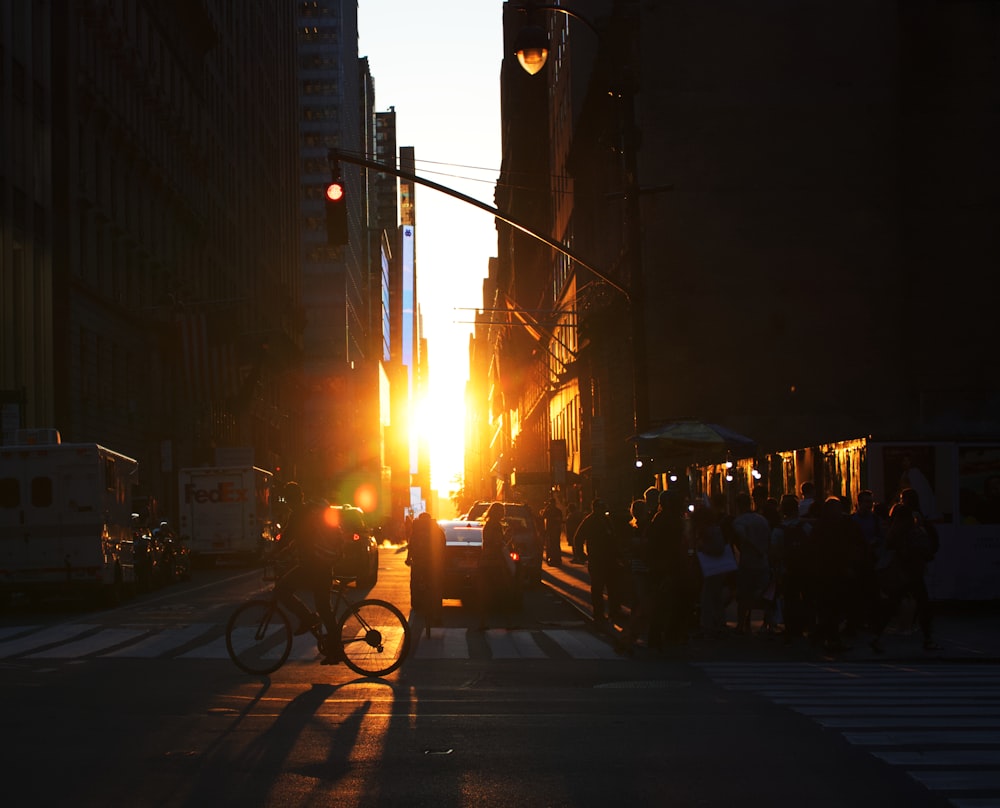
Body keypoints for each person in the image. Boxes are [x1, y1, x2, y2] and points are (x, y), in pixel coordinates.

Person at [271, 482, 344, 663]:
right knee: (324, 607)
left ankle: (309, 619)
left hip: (312, 566)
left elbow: (286, 538)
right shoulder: (309, 512)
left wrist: (270, 554)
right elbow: (296, 541)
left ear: (289, 500)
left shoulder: (298, 515)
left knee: (281, 590)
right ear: (302, 495)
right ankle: (335, 648)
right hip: (321, 564)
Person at [870, 501, 939, 652]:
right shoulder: (914, 532)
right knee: (923, 605)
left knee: (891, 605)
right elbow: (927, 552)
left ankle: (876, 636)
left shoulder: (893, 532)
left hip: (899, 575)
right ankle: (928, 638)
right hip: (914, 574)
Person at [731, 491, 773, 634]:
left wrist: (754, 549)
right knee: (766, 593)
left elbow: (743, 539)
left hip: (748, 562)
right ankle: (768, 622)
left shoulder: (739, 522)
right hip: (763, 562)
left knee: (744, 594)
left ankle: (742, 623)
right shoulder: (761, 520)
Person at [575, 498, 618, 624]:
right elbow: (579, 537)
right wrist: (581, 554)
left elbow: (613, 537)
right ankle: (599, 614)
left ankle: (613, 612)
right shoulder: (590, 521)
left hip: (608, 558)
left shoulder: (605, 520)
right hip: (597, 558)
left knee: (611, 587)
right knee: (598, 587)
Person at [406, 511, 446, 632]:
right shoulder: (437, 531)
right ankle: (437, 616)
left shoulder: (416, 531)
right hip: (433, 565)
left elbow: (410, 546)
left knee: (415, 583)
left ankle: (418, 603)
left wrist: (408, 559)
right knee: (437, 589)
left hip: (418, 564)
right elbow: (443, 546)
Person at [477, 502, 510, 630]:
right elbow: (497, 543)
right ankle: (508, 622)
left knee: (485, 593)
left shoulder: (488, 525)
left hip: (485, 562)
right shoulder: (495, 526)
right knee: (503, 591)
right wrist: (506, 538)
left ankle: (483, 622)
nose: (503, 514)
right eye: (501, 511)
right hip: (495, 562)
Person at [541, 498, 564, 566]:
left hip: (551, 530)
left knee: (551, 545)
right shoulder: (558, 511)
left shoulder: (548, 511)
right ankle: (557, 559)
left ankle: (552, 558)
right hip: (555, 530)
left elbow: (543, 516)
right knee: (556, 545)